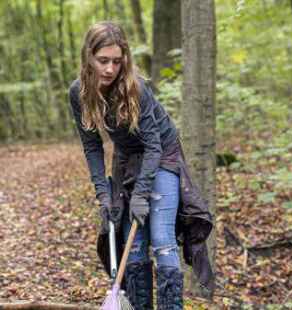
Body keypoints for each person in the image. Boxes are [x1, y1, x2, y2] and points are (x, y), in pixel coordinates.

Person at [68, 21, 214, 310]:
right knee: (132, 245)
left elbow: (154, 145)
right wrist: (103, 195)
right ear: (88, 57)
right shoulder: (79, 93)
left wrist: (141, 194)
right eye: (102, 61)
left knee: (160, 239)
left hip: (162, 154)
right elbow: (92, 145)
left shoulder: (136, 87)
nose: (110, 69)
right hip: (125, 157)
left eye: (117, 62)